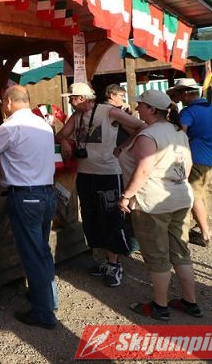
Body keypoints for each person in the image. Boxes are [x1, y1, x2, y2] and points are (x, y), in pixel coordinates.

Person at [117, 90, 203, 322]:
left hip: (152, 201)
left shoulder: (149, 136)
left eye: (141, 105)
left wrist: (127, 195)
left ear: (152, 109)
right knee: (180, 251)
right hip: (179, 196)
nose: (137, 108)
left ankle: (160, 306)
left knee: (157, 255)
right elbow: (187, 166)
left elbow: (144, 169)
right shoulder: (177, 132)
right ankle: (190, 302)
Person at [55, 82, 145, 287]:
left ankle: (114, 263)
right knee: (91, 217)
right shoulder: (77, 116)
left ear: (82, 98)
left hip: (108, 173)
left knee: (111, 217)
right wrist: (66, 141)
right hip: (85, 174)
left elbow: (139, 126)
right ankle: (106, 260)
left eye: (72, 98)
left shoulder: (108, 111)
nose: (70, 101)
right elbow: (61, 134)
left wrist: (122, 148)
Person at [0, 85, 58, 329]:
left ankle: (44, 312)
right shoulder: (43, 124)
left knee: (33, 255)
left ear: (7, 102)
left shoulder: (10, 126)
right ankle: (48, 298)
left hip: (26, 196)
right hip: (47, 193)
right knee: (42, 250)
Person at [168, 78, 212, 247]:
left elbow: (181, 135)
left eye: (177, 94)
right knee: (199, 195)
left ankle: (205, 233)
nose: (177, 98)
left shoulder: (188, 112)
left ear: (185, 93)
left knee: (194, 197)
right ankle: (203, 229)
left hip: (194, 158)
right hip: (210, 158)